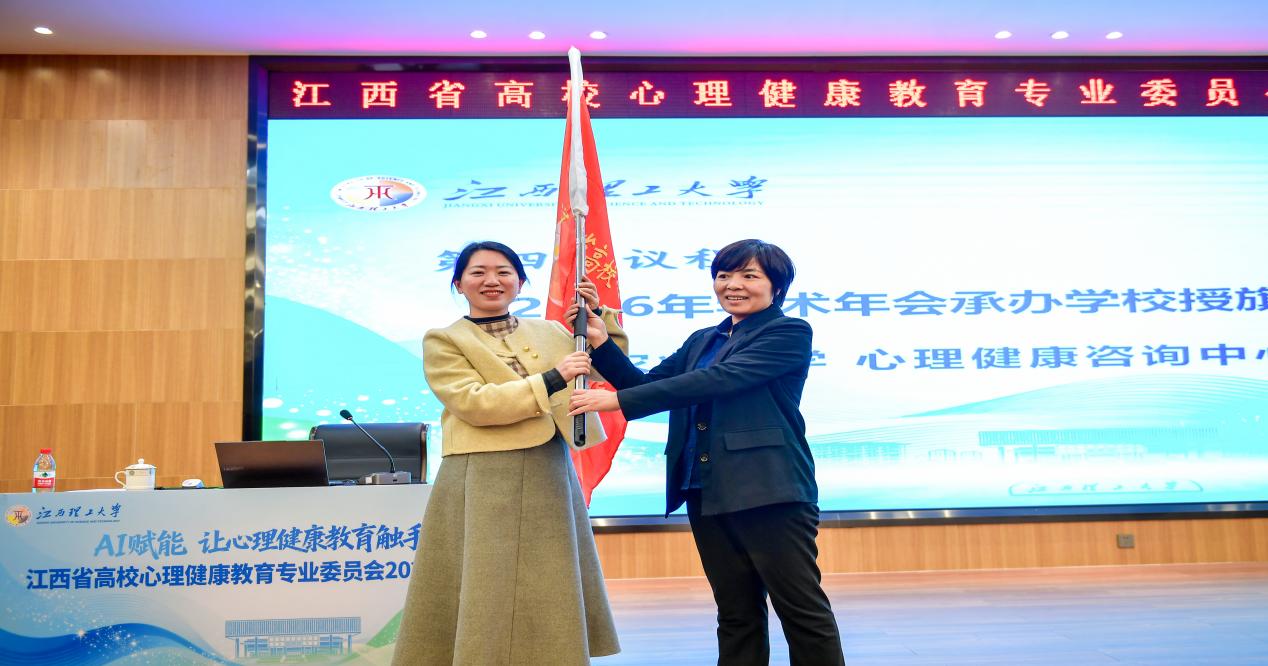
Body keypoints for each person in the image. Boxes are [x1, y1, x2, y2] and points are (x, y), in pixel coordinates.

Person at [569, 239, 844, 666]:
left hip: (769, 489)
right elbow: (646, 385)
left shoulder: (788, 332)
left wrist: (617, 402)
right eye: (724, 275)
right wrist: (602, 343)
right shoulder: (703, 339)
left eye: (749, 276)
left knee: (801, 610)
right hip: (706, 488)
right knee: (735, 612)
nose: (733, 285)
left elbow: (720, 380)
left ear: (776, 286)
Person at [393, 241, 624, 665]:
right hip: (481, 472)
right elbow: (474, 403)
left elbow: (612, 367)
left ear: (520, 282)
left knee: (549, 576)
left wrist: (599, 320)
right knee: (485, 581)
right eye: (478, 272)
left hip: (547, 467)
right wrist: (552, 378)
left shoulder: (553, 331)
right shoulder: (444, 340)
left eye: (503, 272)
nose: (492, 281)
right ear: (458, 283)